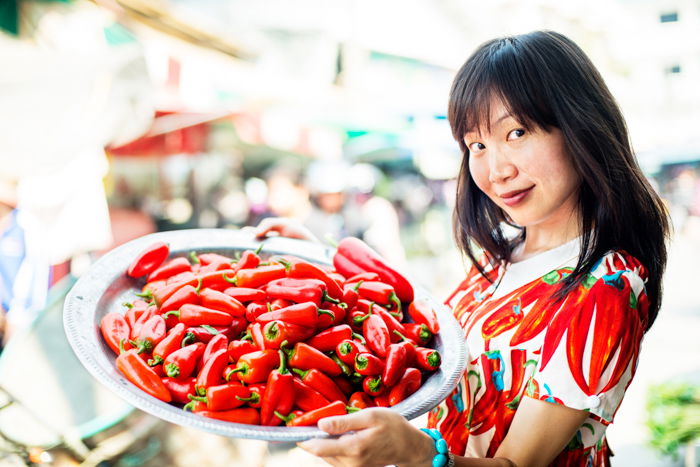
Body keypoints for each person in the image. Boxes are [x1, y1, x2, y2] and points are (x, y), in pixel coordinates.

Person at [252, 30, 669, 466]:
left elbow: (516, 464)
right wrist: (318, 264)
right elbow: (410, 322)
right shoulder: (505, 254)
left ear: (579, 125)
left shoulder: (606, 287)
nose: (496, 170)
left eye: (517, 132)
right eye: (477, 145)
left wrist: (418, 454)